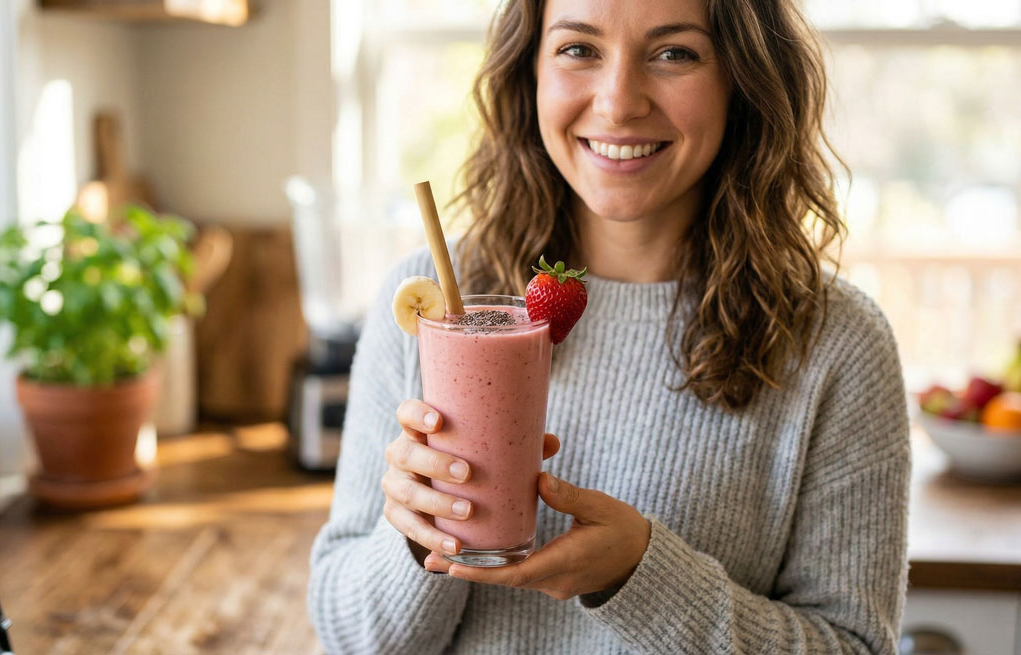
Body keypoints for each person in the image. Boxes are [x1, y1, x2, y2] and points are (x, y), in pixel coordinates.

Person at [308, 0, 910, 652]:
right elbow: (349, 635)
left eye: (674, 52)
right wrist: (418, 536)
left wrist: (638, 575)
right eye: (579, 49)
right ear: (529, 72)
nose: (619, 102)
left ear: (742, 77)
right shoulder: (430, 306)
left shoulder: (837, 343)